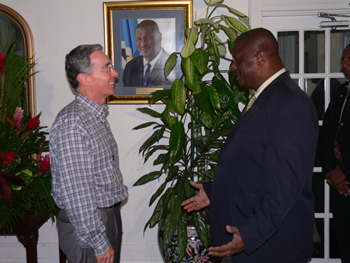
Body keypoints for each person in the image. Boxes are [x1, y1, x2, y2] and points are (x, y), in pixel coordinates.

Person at [182, 28, 318, 262]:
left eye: (238, 60)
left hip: (272, 248)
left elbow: (285, 185)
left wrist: (250, 234)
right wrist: (215, 190)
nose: (233, 67)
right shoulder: (267, 98)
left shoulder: (290, 104)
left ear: (260, 58)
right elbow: (255, 167)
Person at [50, 44, 128, 263]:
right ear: (84, 79)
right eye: (107, 68)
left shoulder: (92, 116)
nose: (114, 73)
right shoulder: (74, 123)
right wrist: (99, 242)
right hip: (89, 225)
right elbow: (77, 191)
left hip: (104, 218)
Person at [319, 44, 350, 262]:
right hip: (341, 189)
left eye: (349, 60)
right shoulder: (342, 92)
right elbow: (326, 134)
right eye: (342, 60)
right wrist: (331, 169)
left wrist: (345, 172)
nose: (344, 65)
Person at [123, 19, 176, 87]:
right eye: (139, 39)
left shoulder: (173, 65)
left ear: (159, 37)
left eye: (147, 38)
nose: (143, 44)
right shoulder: (130, 67)